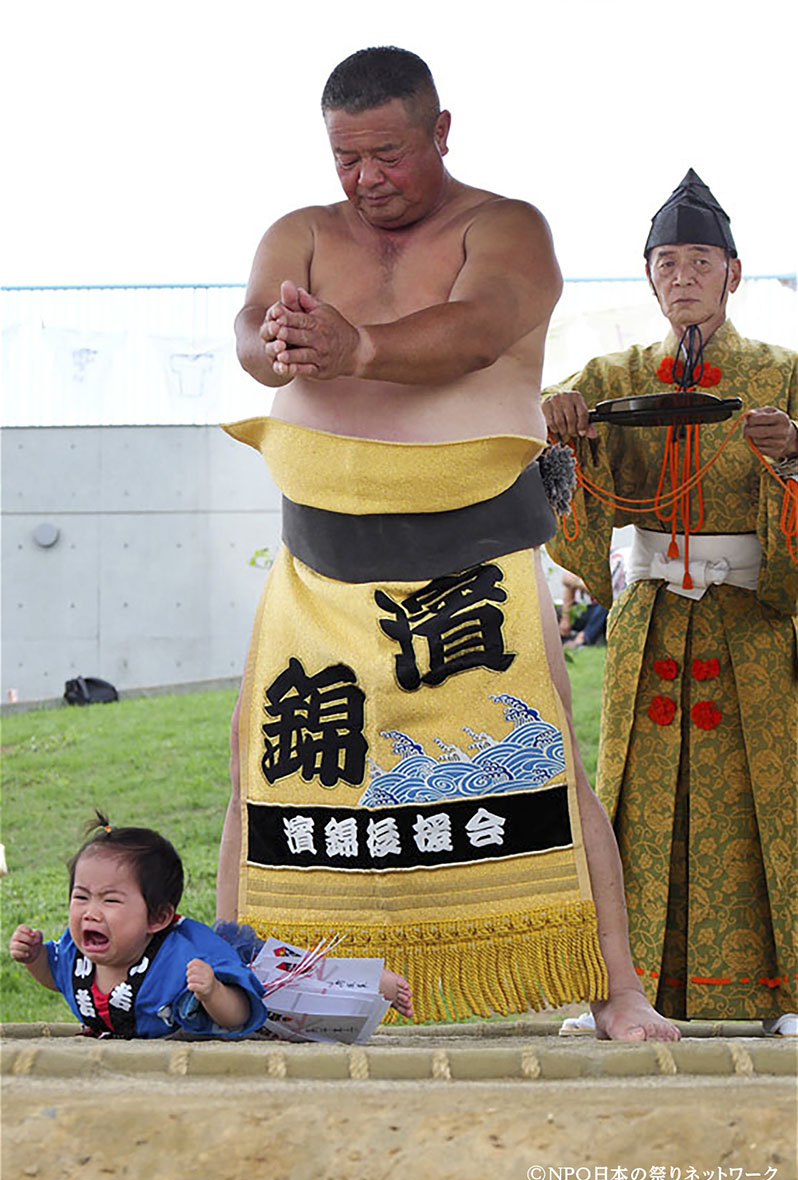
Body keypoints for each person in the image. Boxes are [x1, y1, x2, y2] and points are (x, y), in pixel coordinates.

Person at [218, 45, 678, 1041]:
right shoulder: (299, 231)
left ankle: (618, 992)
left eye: (388, 152)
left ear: (440, 129)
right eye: (347, 157)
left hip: (473, 564)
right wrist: (278, 345)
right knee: (264, 773)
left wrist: (362, 347)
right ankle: (237, 990)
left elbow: (481, 327)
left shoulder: (504, 228)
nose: (366, 177)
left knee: (545, 767)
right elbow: (254, 327)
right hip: (318, 569)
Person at [543, 170, 797, 1035]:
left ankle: (789, 995)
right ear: (649, 278)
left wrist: (794, 461)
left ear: (734, 271)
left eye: (699, 260)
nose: (681, 276)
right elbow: (573, 522)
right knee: (630, 805)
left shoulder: (784, 377)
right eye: (665, 262)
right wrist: (563, 434)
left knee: (775, 799)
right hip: (648, 617)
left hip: (753, 625)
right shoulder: (609, 376)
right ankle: (622, 990)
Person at [9, 814, 267, 1038]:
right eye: (81, 897)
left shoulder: (185, 957)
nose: (91, 913)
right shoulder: (73, 951)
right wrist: (35, 958)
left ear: (158, 918)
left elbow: (240, 1015)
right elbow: (57, 977)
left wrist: (213, 992)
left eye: (110, 900)